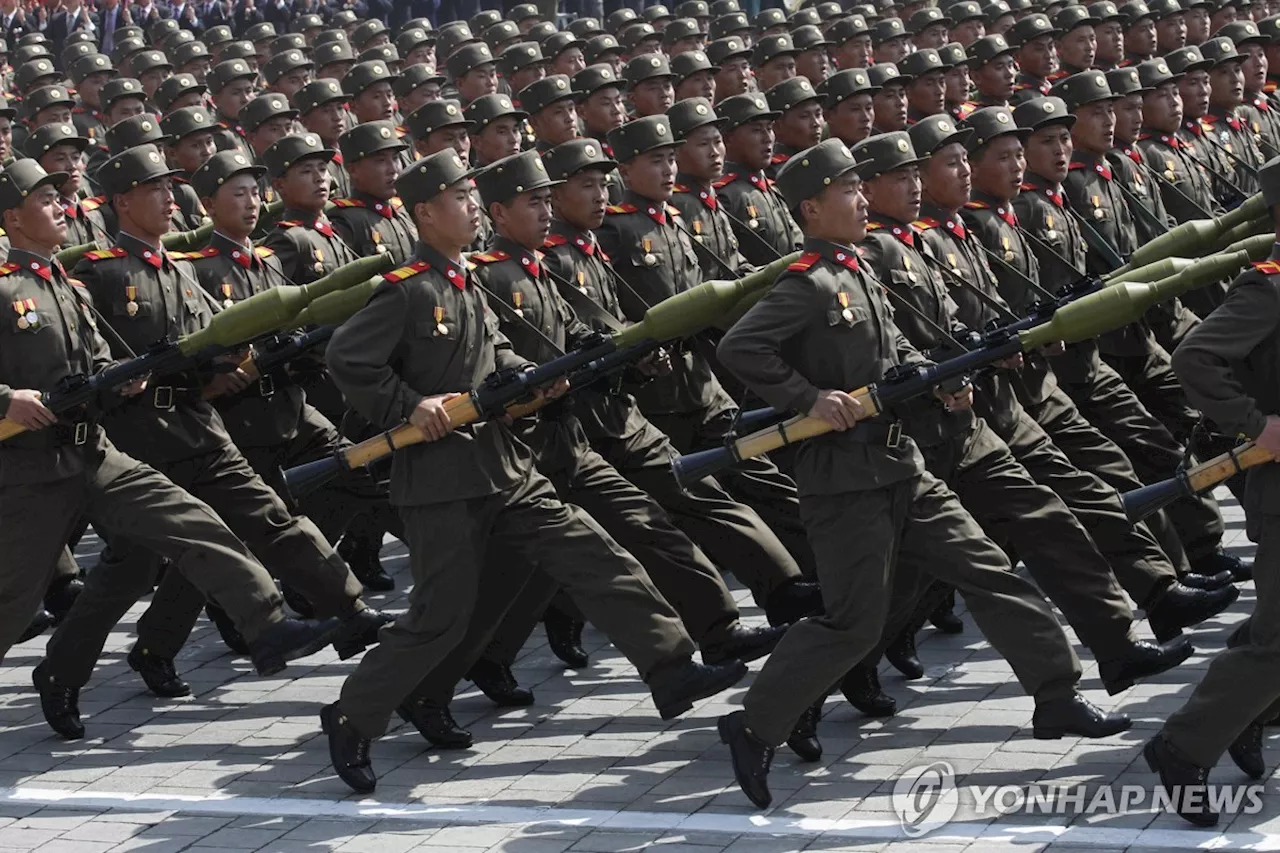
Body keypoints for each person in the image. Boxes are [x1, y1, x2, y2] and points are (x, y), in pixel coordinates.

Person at [318, 147, 748, 795]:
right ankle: (353, 711)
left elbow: (495, 357)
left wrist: (530, 384)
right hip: (441, 481)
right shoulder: (408, 290)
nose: (471, 209)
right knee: (440, 614)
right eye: (460, 199)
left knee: (598, 554)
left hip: (507, 465)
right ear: (427, 213)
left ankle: (671, 666)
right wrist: (412, 406)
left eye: (471, 196)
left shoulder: (465, 282)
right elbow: (346, 360)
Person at [714, 138, 1127, 811]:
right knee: (852, 619)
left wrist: (942, 385)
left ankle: (1056, 692)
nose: (859, 199)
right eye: (847, 190)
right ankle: (755, 722)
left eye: (858, 187)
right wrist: (807, 396)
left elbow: (892, 348)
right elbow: (741, 347)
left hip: (902, 462)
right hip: (845, 480)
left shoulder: (858, 269)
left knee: (989, 569)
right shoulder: (808, 282)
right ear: (812, 208)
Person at [0, 158, 342, 726]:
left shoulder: (69, 288)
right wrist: (6, 397)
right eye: (45, 201)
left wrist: (125, 377)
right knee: (12, 600)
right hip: (30, 468)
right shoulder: (7, 289)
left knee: (194, 521)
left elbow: (98, 362)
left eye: (61, 198)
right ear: (12, 218)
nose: (63, 207)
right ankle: (58, 673)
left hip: (94, 451)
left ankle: (268, 624)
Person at [1146, 155, 1280, 829]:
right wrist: (1258, 423)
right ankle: (1181, 746)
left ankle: (1250, 712)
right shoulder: (1269, 288)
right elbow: (1194, 356)